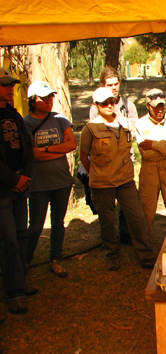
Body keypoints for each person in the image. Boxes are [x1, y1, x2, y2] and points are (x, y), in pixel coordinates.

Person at [79, 87, 155, 271]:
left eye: (111, 101)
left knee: (137, 217)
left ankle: (146, 255)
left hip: (125, 180)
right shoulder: (90, 128)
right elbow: (83, 156)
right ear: (95, 105)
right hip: (102, 183)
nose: (109, 105)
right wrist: (95, 174)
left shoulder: (125, 123)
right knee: (108, 221)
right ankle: (112, 255)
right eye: (104, 103)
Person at [24, 81, 77, 278]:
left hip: (61, 181)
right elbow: (31, 154)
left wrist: (45, 150)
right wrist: (56, 149)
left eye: (50, 97)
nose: (48, 101)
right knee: (36, 226)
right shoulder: (26, 123)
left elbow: (71, 144)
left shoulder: (60, 118)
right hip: (39, 184)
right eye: (43, 98)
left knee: (58, 223)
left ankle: (56, 259)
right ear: (33, 101)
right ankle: (25, 261)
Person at [80, 66, 138, 243]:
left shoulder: (128, 106)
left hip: (125, 162)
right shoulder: (96, 107)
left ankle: (126, 234)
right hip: (104, 167)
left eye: (116, 84)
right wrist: (94, 173)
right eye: (109, 84)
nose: (113, 87)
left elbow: (134, 131)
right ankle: (111, 246)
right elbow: (90, 142)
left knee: (130, 208)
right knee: (107, 212)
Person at [0, 68, 36, 314]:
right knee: (9, 240)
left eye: (11, 86)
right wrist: (13, 179)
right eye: (4, 86)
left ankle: (19, 283)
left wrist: (26, 177)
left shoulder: (14, 114)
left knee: (21, 235)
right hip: (3, 188)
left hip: (20, 185)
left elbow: (28, 148)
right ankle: (13, 293)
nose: (10, 90)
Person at [136, 88, 166, 235]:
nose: (160, 109)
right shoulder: (141, 124)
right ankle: (145, 247)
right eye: (156, 106)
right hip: (149, 170)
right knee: (147, 209)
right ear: (148, 106)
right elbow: (147, 155)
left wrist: (154, 144)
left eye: (162, 105)